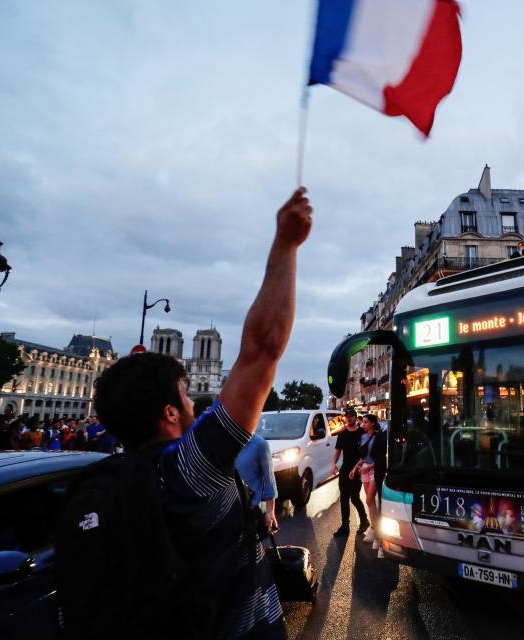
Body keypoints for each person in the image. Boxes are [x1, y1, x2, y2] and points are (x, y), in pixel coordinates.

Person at [86, 186, 312, 639]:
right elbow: (263, 350)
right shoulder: (189, 471)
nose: (194, 403)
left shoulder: (125, 479)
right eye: (186, 396)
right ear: (170, 413)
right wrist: (286, 244)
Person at [350, 414, 387, 548]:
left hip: (374, 470)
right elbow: (363, 456)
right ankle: (374, 528)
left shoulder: (379, 436)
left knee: (370, 498)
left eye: (365, 422)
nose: (362, 424)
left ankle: (377, 533)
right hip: (364, 470)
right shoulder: (363, 437)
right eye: (363, 422)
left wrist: (369, 466)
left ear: (372, 423)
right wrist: (355, 468)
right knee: (371, 502)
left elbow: (382, 457)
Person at [331, 408, 369, 537]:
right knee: (343, 498)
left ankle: (364, 521)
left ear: (355, 417)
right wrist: (333, 465)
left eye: (351, 416)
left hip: (358, 470)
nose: (349, 418)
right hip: (345, 469)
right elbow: (337, 451)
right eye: (347, 416)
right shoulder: (342, 434)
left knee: (354, 497)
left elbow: (366, 453)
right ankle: (345, 526)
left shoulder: (362, 433)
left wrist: (360, 467)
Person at [236, 431, 280, 535]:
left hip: (250, 512)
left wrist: (270, 511)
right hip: (225, 513)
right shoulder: (223, 442)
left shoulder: (259, 444)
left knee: (251, 549)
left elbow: (269, 479)